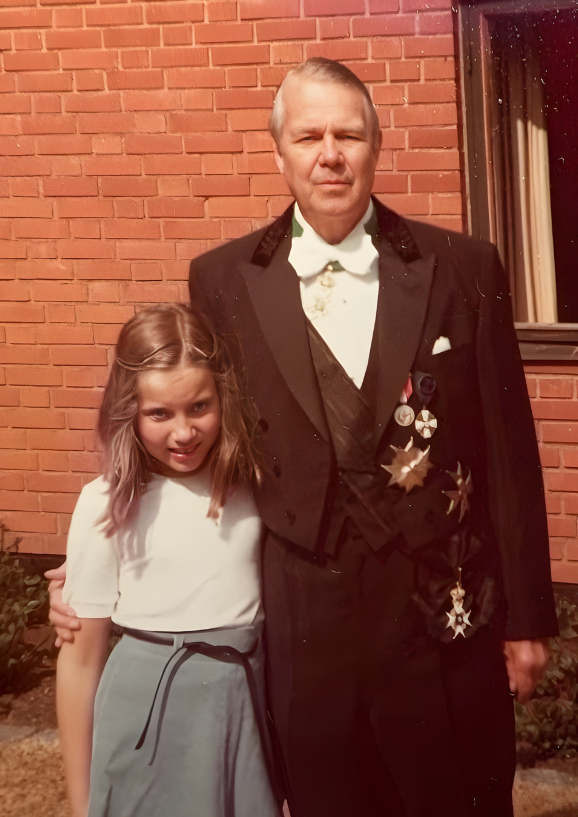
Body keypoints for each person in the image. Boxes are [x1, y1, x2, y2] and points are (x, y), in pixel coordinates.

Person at [49, 59, 557, 817]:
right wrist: (102, 558)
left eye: (348, 134)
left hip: (441, 622)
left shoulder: (462, 267)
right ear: (279, 151)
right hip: (304, 628)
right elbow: (191, 429)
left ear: (375, 146)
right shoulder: (221, 279)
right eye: (309, 135)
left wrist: (528, 618)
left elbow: (511, 458)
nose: (331, 153)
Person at [55, 303, 280, 817]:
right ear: (128, 411)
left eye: (199, 407)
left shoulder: (255, 489)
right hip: (146, 715)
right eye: (160, 414)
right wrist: (80, 799)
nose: (183, 432)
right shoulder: (104, 503)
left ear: (224, 397)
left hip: (241, 702)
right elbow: (80, 659)